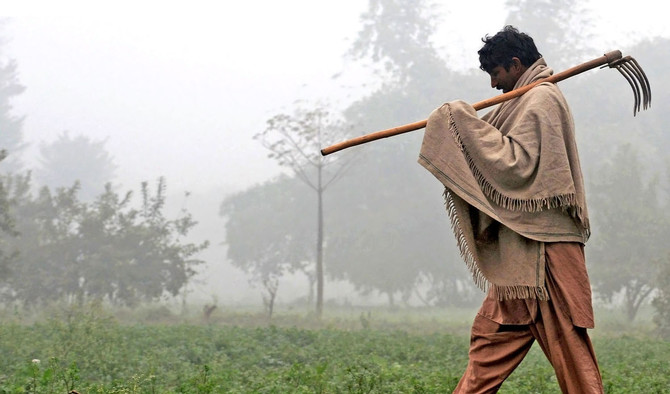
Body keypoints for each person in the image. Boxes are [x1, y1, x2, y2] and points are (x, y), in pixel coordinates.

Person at [418, 26, 604, 393]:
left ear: (516, 65)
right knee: (489, 341)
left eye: (496, 74)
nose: (492, 85)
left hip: (547, 250)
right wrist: (459, 124)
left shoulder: (542, 100)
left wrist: (460, 120)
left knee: (570, 350)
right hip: (519, 254)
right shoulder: (521, 99)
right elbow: (498, 149)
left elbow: (519, 166)